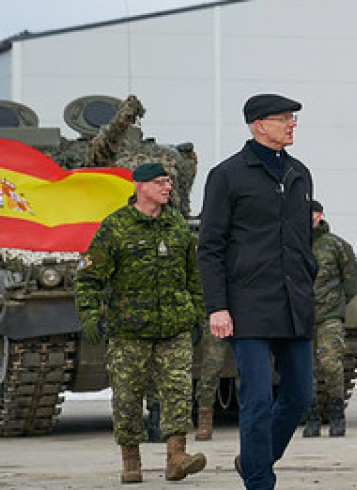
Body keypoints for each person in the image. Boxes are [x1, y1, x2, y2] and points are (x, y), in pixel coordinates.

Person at [198, 94, 317, 490]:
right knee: (257, 399)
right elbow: (211, 246)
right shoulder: (228, 175)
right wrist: (217, 306)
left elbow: (302, 242)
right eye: (284, 118)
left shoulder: (299, 173)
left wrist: (307, 278)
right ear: (258, 125)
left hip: (293, 304)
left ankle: (253, 460)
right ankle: (260, 482)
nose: (292, 124)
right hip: (246, 307)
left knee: (299, 396)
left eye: (293, 119)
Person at [76, 161, 208, 484]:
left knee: (177, 392)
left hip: (174, 326)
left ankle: (177, 456)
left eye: (168, 183)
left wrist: (196, 314)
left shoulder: (177, 225)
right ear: (141, 186)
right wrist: (91, 316)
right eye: (161, 183)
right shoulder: (115, 227)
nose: (168, 188)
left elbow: (193, 275)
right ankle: (131, 460)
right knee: (127, 397)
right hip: (128, 332)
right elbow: (88, 277)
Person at [303, 200, 357, 438]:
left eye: (311, 214)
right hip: (301, 319)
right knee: (307, 370)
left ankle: (337, 415)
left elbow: (351, 280)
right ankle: (312, 417)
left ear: (319, 216)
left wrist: (336, 305)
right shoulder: (293, 244)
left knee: (331, 365)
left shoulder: (336, 245)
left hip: (329, 317)